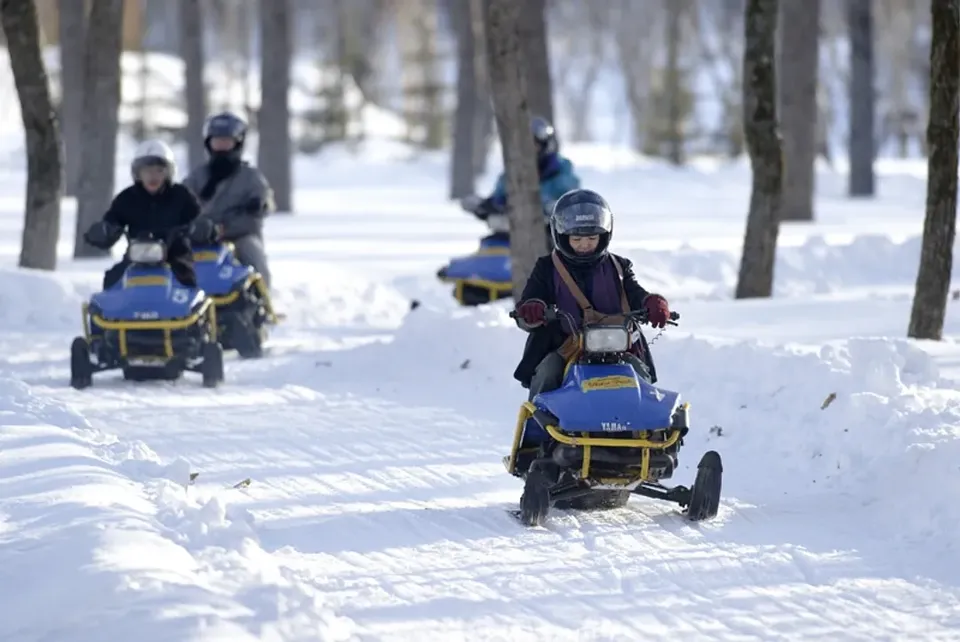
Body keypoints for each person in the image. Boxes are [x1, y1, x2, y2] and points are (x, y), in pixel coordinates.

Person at [510, 188, 672, 400]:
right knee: (548, 371)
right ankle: (538, 424)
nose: (584, 245)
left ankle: (649, 424)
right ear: (561, 235)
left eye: (592, 238)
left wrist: (652, 303)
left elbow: (635, 293)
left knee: (640, 374)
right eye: (576, 239)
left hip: (617, 347)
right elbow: (532, 297)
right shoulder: (547, 267)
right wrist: (533, 308)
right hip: (565, 346)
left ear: (604, 236)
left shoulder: (619, 266)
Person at [83, 139, 215, 290]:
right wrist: (103, 231)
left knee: (187, 280)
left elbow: (199, 218)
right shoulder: (126, 198)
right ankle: (110, 312)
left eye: (159, 170)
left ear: (168, 172)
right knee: (113, 279)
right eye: (147, 171)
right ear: (138, 173)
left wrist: (202, 227)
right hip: (136, 257)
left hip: (174, 255)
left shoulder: (181, 195)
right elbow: (112, 220)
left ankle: (190, 311)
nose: (153, 176)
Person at [181, 111, 275, 289]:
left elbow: (262, 206)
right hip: (199, 237)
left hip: (237, 236)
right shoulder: (197, 176)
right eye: (217, 142)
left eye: (226, 142)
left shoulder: (251, 177)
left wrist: (256, 207)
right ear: (209, 144)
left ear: (238, 143)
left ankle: (261, 299)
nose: (222, 147)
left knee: (252, 251)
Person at [470, 116, 581, 223]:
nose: (530, 151)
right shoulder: (512, 171)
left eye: (535, 145)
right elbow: (500, 195)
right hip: (513, 230)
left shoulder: (560, 170)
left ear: (544, 145)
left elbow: (572, 201)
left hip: (548, 231)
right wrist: (487, 205)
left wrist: (550, 206)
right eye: (525, 146)